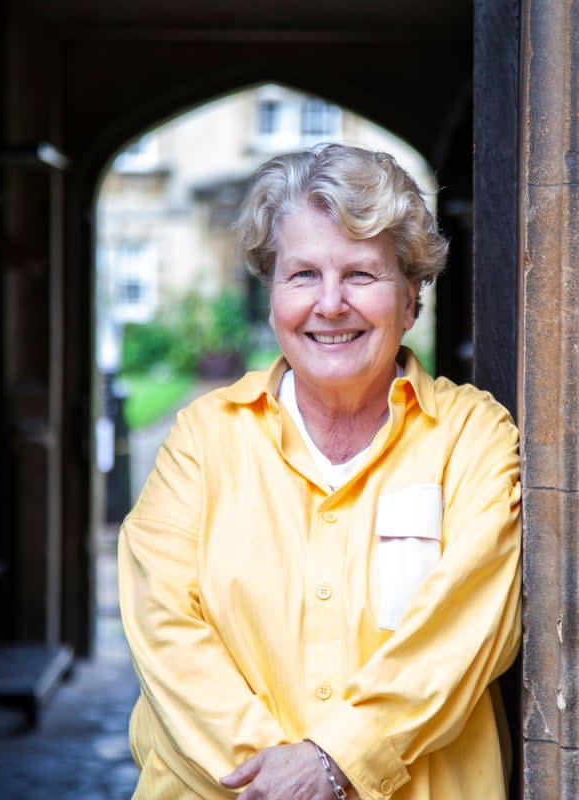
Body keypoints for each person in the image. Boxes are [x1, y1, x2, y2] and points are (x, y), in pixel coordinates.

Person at [117, 142, 522, 799]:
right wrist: (278, 780)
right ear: (273, 292)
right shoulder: (202, 441)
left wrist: (334, 760)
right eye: (303, 275)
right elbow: (164, 630)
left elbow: (464, 632)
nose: (330, 304)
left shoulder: (472, 439)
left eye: (361, 275)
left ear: (412, 294)